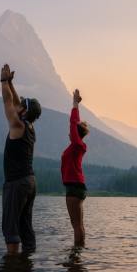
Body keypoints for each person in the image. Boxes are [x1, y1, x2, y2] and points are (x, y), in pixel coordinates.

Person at [0, 64, 42, 254]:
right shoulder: (30, 127)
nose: (19, 104)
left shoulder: (17, 125)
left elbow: (9, 103)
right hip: (29, 182)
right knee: (25, 226)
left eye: (22, 105)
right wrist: (11, 83)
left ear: (24, 112)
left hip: (17, 183)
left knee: (11, 228)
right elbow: (18, 104)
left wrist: (3, 82)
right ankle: (27, 267)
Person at [61, 89, 90, 246]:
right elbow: (75, 125)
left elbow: (73, 123)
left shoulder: (77, 145)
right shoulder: (76, 146)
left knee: (76, 225)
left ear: (76, 134)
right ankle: (78, 255)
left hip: (74, 187)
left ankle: (76, 255)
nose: (69, 133)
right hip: (75, 187)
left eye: (72, 132)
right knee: (78, 225)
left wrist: (74, 104)